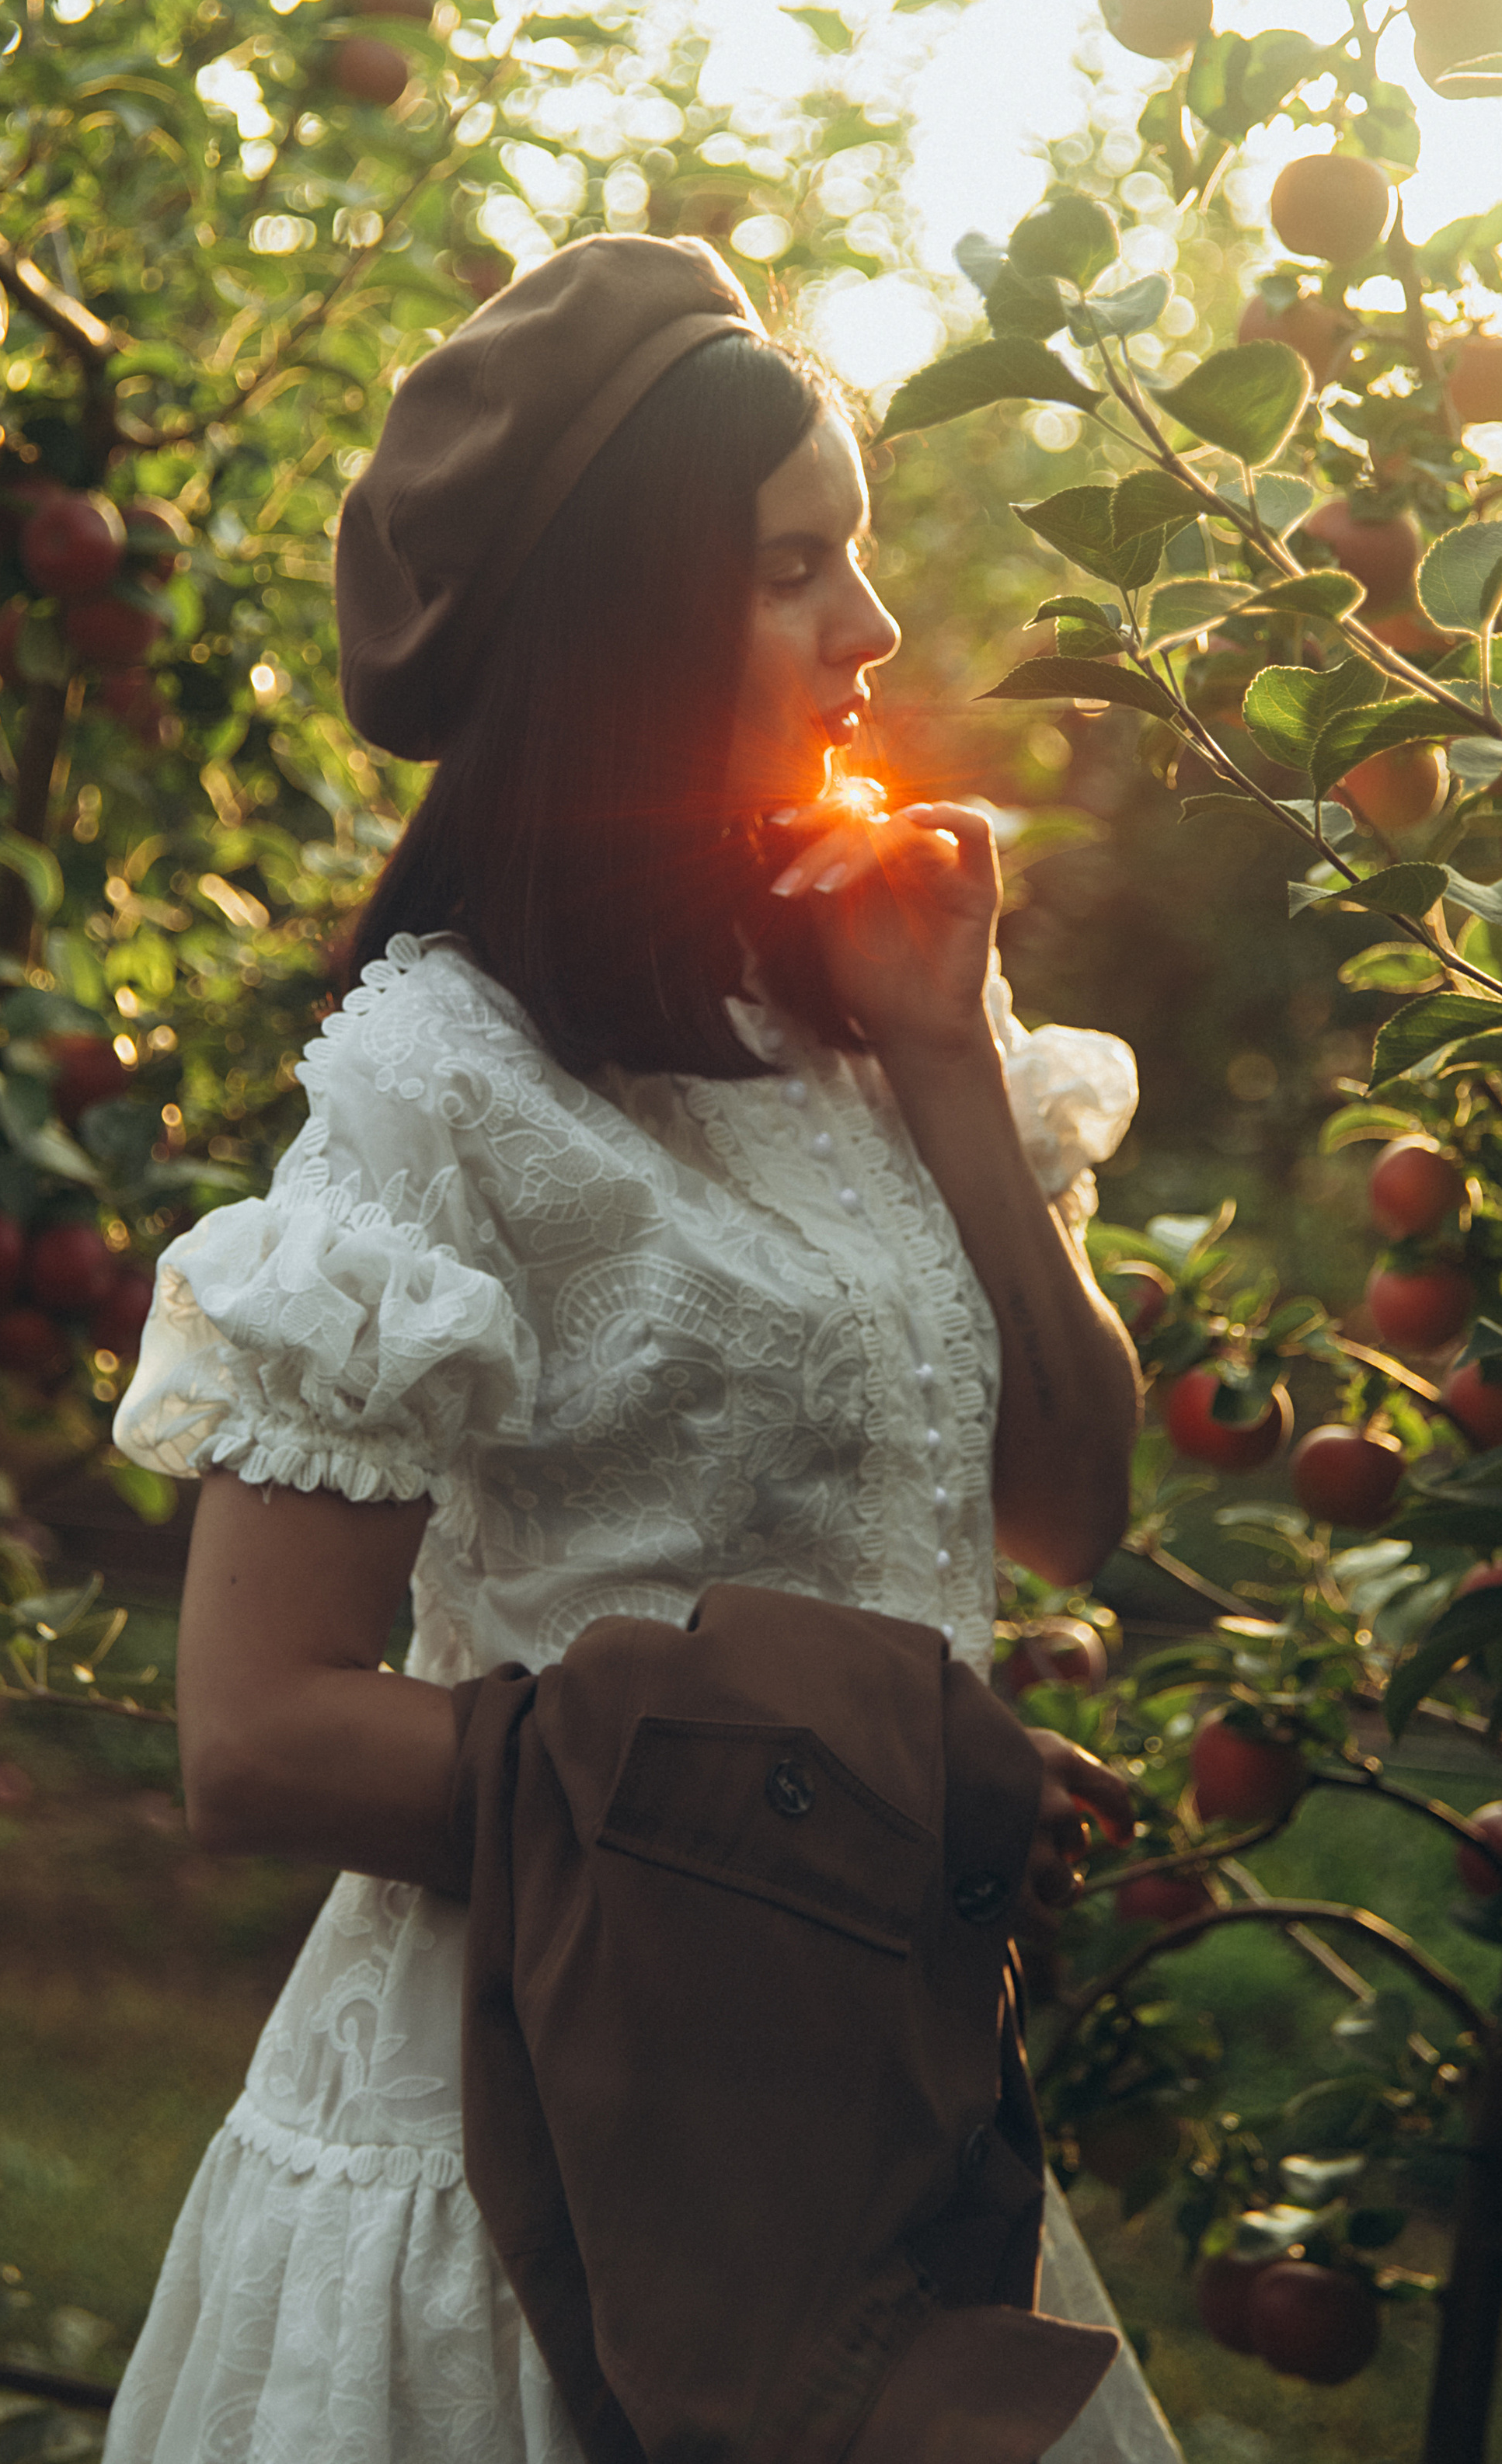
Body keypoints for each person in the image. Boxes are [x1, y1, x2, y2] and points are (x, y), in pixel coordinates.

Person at [102, 233, 1183, 2462]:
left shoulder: (877, 999)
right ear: (629, 624)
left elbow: (1069, 1510)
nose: (872, 632)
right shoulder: (444, 1079)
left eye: (860, 559)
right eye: (797, 567)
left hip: (854, 2119)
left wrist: (947, 1065)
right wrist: (847, 1782)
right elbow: (253, 1740)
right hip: (516, 2141)